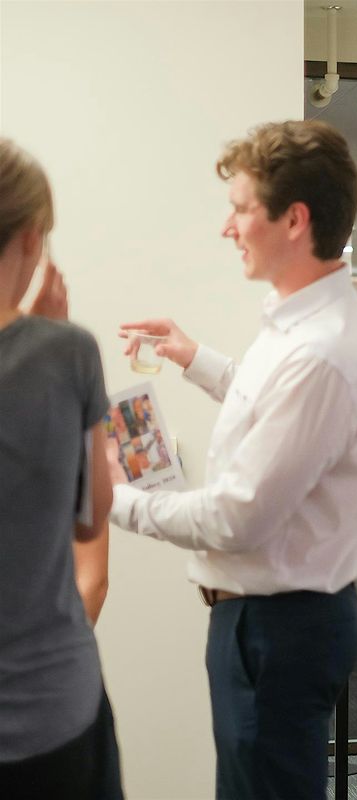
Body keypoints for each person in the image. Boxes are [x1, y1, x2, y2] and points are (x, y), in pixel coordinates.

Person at [107, 121, 357, 800]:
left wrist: (112, 499)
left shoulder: (318, 349)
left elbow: (238, 517)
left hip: (279, 628)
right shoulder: (304, 324)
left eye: (239, 209)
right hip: (270, 621)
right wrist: (195, 360)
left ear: (294, 219)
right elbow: (277, 413)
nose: (226, 228)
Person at [0, 137, 122, 797]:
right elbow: (90, 518)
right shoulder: (68, 353)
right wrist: (52, 333)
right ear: (29, 236)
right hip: (54, 708)